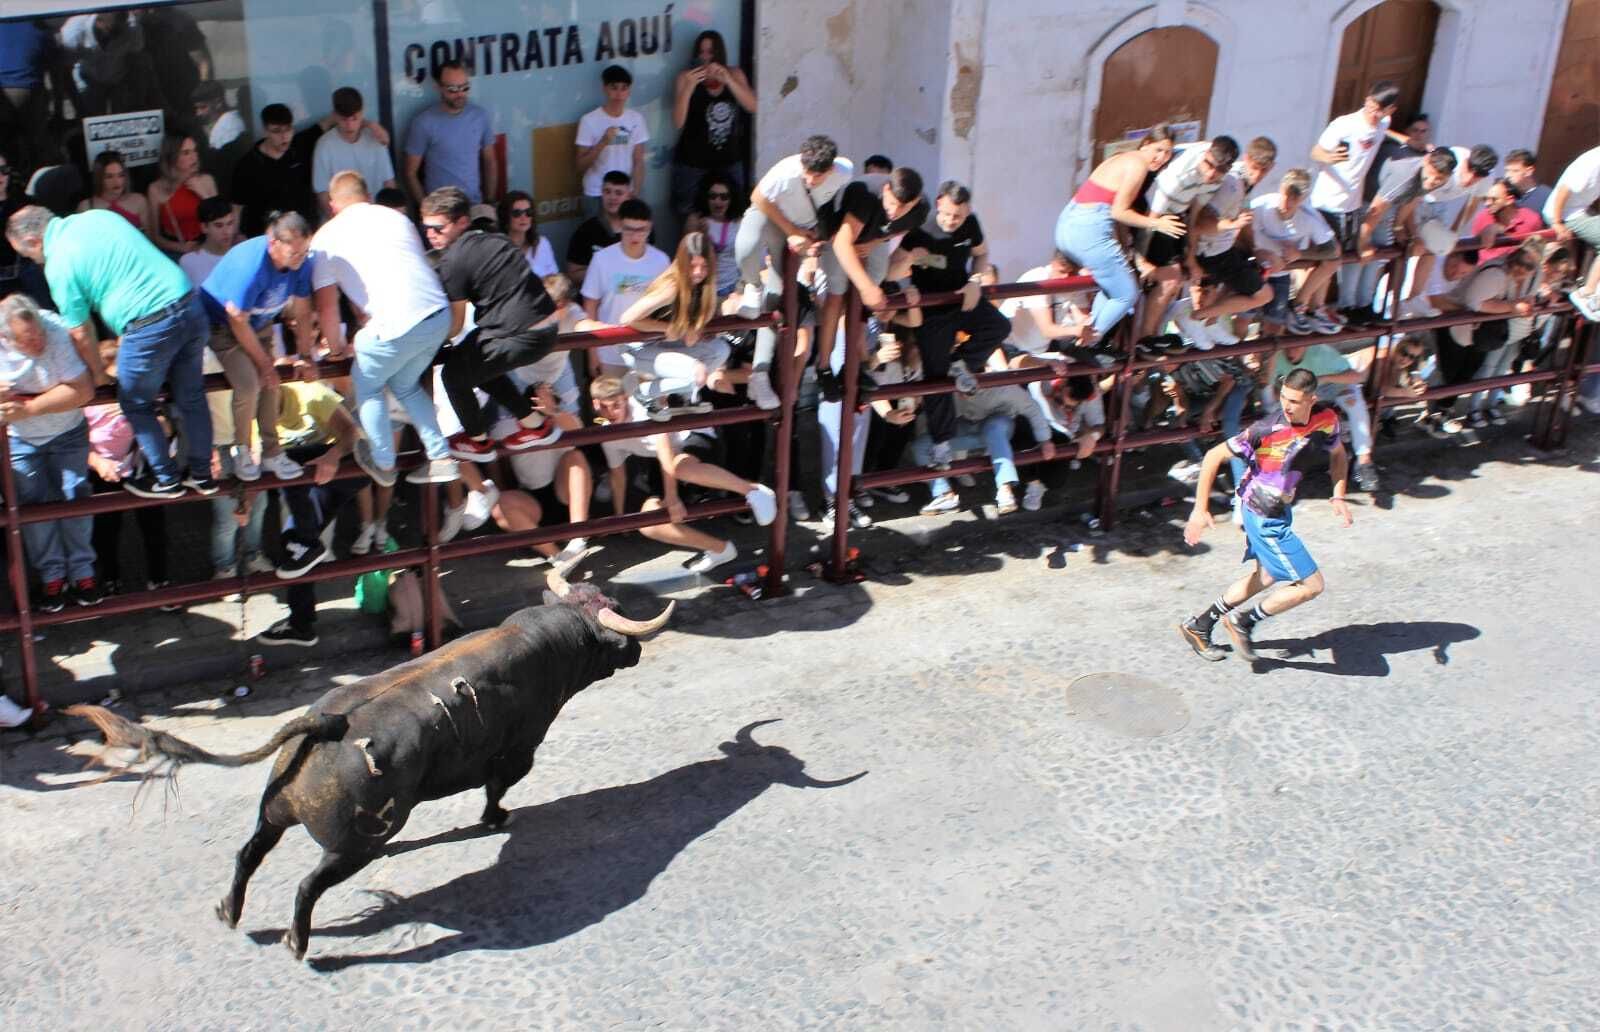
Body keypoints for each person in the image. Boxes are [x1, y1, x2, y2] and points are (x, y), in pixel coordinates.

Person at [6, 204, 215, 498]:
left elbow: (80, 332)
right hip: (189, 305)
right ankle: (203, 475)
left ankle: (167, 479)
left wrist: (99, 375)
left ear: (33, 241)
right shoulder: (99, 216)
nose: (34, 261)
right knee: (191, 396)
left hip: (147, 324)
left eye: (29, 255)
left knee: (135, 403)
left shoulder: (58, 265)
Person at [1180, 367, 1353, 662]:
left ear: (1312, 400)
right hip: (1262, 513)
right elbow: (1213, 456)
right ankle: (1244, 622)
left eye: (1294, 401)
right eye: (1283, 397)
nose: (1286, 406)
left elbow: (1338, 455)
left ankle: (1200, 625)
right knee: (1312, 586)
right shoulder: (1265, 430)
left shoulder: (1326, 419)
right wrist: (1199, 510)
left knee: (1266, 575)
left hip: (1280, 509)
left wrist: (1338, 494)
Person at [310, 170, 457, 486]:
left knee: (368, 385)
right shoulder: (397, 219)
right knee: (405, 386)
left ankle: (383, 463)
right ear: (367, 196)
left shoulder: (323, 238)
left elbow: (327, 307)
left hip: (395, 325)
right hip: (437, 316)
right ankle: (441, 457)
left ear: (332, 205)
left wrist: (335, 350)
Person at [420, 186, 564, 462]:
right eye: (426, 228)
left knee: (453, 375)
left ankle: (477, 442)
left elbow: (454, 325)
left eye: (438, 228)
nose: (431, 235)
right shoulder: (498, 239)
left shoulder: (452, 261)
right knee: (477, 365)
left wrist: (425, 345)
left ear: (462, 222)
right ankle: (535, 425)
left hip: (516, 333)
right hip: (548, 329)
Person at [589, 374, 775, 574]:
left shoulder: (642, 412)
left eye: (616, 405)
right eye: (605, 407)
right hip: (666, 464)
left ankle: (754, 491)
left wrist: (672, 497)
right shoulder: (605, 430)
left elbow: (665, 449)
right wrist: (620, 518)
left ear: (625, 398)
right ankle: (721, 550)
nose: (611, 412)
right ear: (595, 404)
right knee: (648, 524)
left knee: (680, 468)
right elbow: (618, 475)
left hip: (694, 438)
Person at [198, 210, 320, 481]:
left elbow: (302, 311)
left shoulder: (302, 262)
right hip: (222, 327)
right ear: (273, 243)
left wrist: (305, 355)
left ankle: (272, 452)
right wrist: (265, 365)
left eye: (305, 252)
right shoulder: (251, 266)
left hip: (260, 324)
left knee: (272, 384)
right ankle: (241, 449)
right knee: (249, 384)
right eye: (294, 253)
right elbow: (236, 320)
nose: (300, 259)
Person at [899, 179, 1011, 468]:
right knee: (936, 377)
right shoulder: (920, 227)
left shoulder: (971, 223)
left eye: (958, 216)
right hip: (931, 311)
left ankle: (960, 362)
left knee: (999, 326)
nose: (951, 221)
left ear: (968, 211)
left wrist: (975, 280)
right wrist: (910, 259)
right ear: (938, 203)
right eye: (947, 214)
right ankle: (941, 443)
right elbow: (891, 270)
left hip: (962, 299)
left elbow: (981, 253)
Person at [0, 293, 98, 611]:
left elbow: (82, 390)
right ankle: (52, 578)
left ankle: (83, 574)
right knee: (33, 509)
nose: (39, 342)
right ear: (5, 338)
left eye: (39, 334)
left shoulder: (54, 328)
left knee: (75, 499)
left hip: (67, 432)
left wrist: (27, 408)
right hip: (20, 440)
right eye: (28, 340)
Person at [253, 380, 369, 646]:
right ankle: (301, 625)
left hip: (343, 467)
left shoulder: (310, 393)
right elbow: (255, 460)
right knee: (295, 550)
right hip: (306, 487)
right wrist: (245, 501)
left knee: (291, 462)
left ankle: (307, 546)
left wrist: (333, 456)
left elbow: (353, 433)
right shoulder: (252, 414)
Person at [812, 167, 930, 403]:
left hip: (871, 236)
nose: (895, 211)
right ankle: (823, 367)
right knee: (838, 294)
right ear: (886, 189)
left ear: (915, 202)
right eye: (892, 203)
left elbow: (900, 227)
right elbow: (842, 243)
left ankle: (854, 365)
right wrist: (866, 287)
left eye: (903, 207)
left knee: (869, 291)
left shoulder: (920, 209)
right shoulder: (865, 194)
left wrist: (877, 241)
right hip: (836, 232)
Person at [1054, 124, 1180, 340]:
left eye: (1167, 153)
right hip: (1088, 230)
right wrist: (1157, 223)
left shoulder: (1121, 158)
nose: (1161, 158)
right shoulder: (1138, 165)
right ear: (1146, 144)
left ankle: (1088, 337)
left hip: (1067, 226)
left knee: (1113, 288)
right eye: (1158, 150)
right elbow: (1120, 212)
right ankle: (1088, 340)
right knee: (1127, 294)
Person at [1421, 243, 1540, 436]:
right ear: (1515, 261)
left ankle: (1442, 412)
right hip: (1458, 327)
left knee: (1464, 374)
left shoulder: (1517, 276)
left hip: (1476, 333)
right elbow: (1475, 303)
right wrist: (1513, 307)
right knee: (1449, 374)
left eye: (1530, 267)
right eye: (1523, 264)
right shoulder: (1496, 274)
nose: (1524, 270)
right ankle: (1431, 415)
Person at [1133, 135, 1241, 343]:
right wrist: (1141, 261)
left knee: (1180, 274)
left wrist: (1190, 258)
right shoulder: (1178, 176)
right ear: (1206, 154)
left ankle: (1154, 334)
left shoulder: (1215, 178)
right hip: (1149, 209)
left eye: (1219, 170)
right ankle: (1145, 338)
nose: (1211, 174)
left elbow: (1193, 216)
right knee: (1171, 277)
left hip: (1175, 213)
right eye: (1209, 165)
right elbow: (1149, 218)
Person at [734, 135, 854, 313]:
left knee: (780, 295)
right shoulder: (786, 171)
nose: (810, 180)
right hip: (771, 213)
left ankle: (770, 322)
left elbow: (833, 205)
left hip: (804, 228)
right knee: (746, 248)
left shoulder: (844, 171)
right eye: (807, 172)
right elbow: (757, 196)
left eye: (817, 175)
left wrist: (818, 234)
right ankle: (753, 285)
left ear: (831, 169)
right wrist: (792, 231)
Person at [1310, 80, 1400, 314]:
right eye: (1370, 106)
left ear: (1389, 111)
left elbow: (1383, 130)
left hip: (1351, 206)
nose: (1373, 114)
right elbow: (1316, 151)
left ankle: (1320, 308)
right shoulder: (1344, 125)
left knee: (1338, 259)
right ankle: (1309, 307)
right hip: (1327, 202)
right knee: (1326, 259)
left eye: (1379, 110)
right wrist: (1328, 157)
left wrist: (1406, 140)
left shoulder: (1383, 124)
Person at [617, 232, 730, 417]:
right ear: (682, 263)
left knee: (720, 350)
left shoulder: (705, 288)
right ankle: (643, 393)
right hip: (639, 349)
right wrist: (668, 329)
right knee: (696, 373)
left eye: (704, 266)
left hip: (666, 345)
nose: (698, 272)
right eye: (692, 266)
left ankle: (683, 397)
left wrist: (691, 330)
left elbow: (692, 333)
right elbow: (627, 318)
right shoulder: (671, 287)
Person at [1185, 137, 1278, 339]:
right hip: (1212, 254)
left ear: (1271, 167)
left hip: (1222, 249)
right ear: (1246, 158)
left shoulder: (1242, 182)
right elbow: (1201, 224)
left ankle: (1209, 322)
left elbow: (1244, 221)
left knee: (1245, 273)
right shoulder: (1233, 186)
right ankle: (1196, 317)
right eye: (1255, 168)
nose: (1257, 175)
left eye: (1263, 170)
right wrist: (1232, 225)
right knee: (1264, 295)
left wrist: (1254, 250)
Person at [915, 383, 1055, 516]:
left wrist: (1045, 439)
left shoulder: (1003, 386)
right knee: (921, 445)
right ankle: (944, 494)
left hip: (1000, 427)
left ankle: (1005, 489)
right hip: (969, 426)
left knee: (994, 427)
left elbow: (1031, 408)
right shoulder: (951, 383)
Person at [1267, 342, 1379, 492]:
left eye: (1297, 346)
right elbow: (1272, 392)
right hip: (1306, 395)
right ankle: (1280, 470)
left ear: (1305, 345)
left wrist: (1325, 378)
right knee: (1285, 415)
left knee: (1355, 406)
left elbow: (1357, 376)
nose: (1291, 351)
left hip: (1332, 384)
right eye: (1289, 345)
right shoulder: (1278, 358)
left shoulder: (1321, 353)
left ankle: (1364, 462)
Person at [580, 197, 670, 379]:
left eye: (641, 230)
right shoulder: (602, 259)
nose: (635, 236)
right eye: (629, 229)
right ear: (620, 226)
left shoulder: (661, 261)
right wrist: (592, 354)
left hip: (649, 351)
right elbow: (590, 306)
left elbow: (667, 309)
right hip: (609, 352)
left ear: (649, 228)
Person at [670, 30, 756, 216]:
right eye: (701, 52)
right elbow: (678, 122)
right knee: (690, 215)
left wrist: (729, 81)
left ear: (720, 53)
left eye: (711, 52)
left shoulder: (734, 73)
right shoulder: (686, 77)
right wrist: (689, 87)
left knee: (734, 212)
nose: (706, 57)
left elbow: (752, 106)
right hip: (693, 162)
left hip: (729, 159)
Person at [1251, 169, 1342, 335]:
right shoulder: (1260, 206)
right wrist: (1259, 253)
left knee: (1274, 330)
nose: (1288, 203)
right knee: (1243, 321)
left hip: (1281, 274)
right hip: (1252, 268)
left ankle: (1301, 305)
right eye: (1286, 196)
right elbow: (1242, 235)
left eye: (1295, 199)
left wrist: (1300, 254)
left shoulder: (1309, 217)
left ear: (1303, 198)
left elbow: (1333, 251)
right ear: (1281, 189)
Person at [404, 60, 497, 206]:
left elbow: (490, 161)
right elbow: (410, 173)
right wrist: (427, 210)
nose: (460, 94)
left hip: (474, 206)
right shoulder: (423, 123)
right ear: (438, 88)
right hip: (441, 211)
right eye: (453, 89)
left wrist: (489, 201)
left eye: (465, 88)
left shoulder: (480, 116)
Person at [230, 103, 317, 237]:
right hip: (267, 238)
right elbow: (237, 207)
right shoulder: (248, 165)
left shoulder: (300, 147)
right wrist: (235, 235)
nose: (284, 136)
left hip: (303, 234)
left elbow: (325, 123)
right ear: (265, 131)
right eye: (276, 131)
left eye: (288, 129)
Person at [313, 86, 396, 218]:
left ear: (362, 113)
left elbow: (388, 182)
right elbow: (322, 193)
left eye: (354, 118)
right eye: (344, 119)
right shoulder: (324, 145)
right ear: (335, 116)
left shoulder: (375, 138)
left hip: (376, 217)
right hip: (341, 219)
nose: (350, 125)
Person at [576, 65, 649, 215]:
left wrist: (635, 191)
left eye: (624, 88)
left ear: (629, 91)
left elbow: (638, 161)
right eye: (614, 88)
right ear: (605, 88)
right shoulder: (589, 120)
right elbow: (580, 165)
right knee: (596, 230)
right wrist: (603, 142)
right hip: (597, 192)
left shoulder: (636, 119)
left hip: (624, 193)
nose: (619, 94)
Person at [1545, 145, 1600, 321]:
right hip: (1565, 213)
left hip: (1578, 210)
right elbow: (1564, 190)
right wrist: (1557, 222)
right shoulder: (1593, 163)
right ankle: (1587, 292)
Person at [146, 132, 219, 258]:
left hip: (207, 249)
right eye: (186, 153)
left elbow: (221, 221)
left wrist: (205, 195)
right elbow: (155, 236)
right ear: (172, 158)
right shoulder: (156, 189)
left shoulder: (206, 180)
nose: (194, 157)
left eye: (194, 151)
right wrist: (181, 247)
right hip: (175, 252)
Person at [565, 170, 645, 282]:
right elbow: (573, 273)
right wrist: (605, 270)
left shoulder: (640, 228)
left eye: (618, 193)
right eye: (607, 191)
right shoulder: (586, 230)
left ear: (629, 196)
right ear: (601, 194)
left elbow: (648, 265)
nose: (612, 197)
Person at [682, 173, 744, 300]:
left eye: (724, 197)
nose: (718, 201)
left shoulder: (739, 222)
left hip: (732, 288)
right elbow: (690, 256)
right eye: (713, 196)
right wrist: (702, 235)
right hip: (704, 289)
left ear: (732, 199)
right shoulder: (695, 220)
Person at [1471, 178, 1543, 261]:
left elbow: (1537, 254)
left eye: (1494, 199)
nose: (1487, 203)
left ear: (1509, 200)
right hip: (1485, 267)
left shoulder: (1531, 219)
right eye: (1485, 199)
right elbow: (1472, 249)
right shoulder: (1482, 218)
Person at [77, 150, 150, 229]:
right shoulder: (86, 207)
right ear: (99, 178)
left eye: (121, 175)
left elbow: (148, 234)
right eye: (109, 177)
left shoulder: (139, 201)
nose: (117, 181)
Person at [177, 196, 239, 287]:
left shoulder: (243, 257)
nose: (227, 232)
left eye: (230, 223)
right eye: (219, 225)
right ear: (204, 227)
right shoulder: (188, 262)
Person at [500, 190, 558, 277]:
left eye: (528, 212)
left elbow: (554, 278)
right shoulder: (497, 250)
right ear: (505, 217)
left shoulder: (542, 243)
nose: (524, 218)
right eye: (517, 213)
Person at [1502, 149, 1552, 220]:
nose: (1508, 175)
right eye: (1507, 170)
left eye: (1515, 171)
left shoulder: (1546, 195)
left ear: (1529, 171)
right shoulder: (1504, 191)